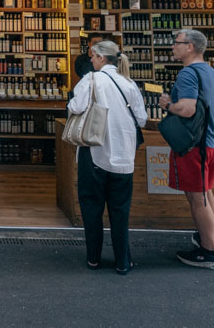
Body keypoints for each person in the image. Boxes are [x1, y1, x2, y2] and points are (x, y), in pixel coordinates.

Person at [68, 40, 147, 275]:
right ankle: (123, 261)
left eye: (93, 56)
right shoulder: (129, 83)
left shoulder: (91, 80)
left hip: (95, 152)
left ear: (102, 58)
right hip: (124, 157)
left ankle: (93, 258)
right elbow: (141, 120)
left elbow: (75, 106)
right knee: (120, 211)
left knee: (92, 208)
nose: (90, 60)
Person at [158, 30, 214, 271]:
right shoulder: (213, 74)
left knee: (198, 198)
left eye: (177, 43)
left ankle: (211, 253)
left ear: (190, 47)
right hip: (213, 143)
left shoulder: (188, 73)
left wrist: (168, 104)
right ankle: (203, 238)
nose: (173, 47)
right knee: (206, 193)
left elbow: (187, 109)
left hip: (195, 145)